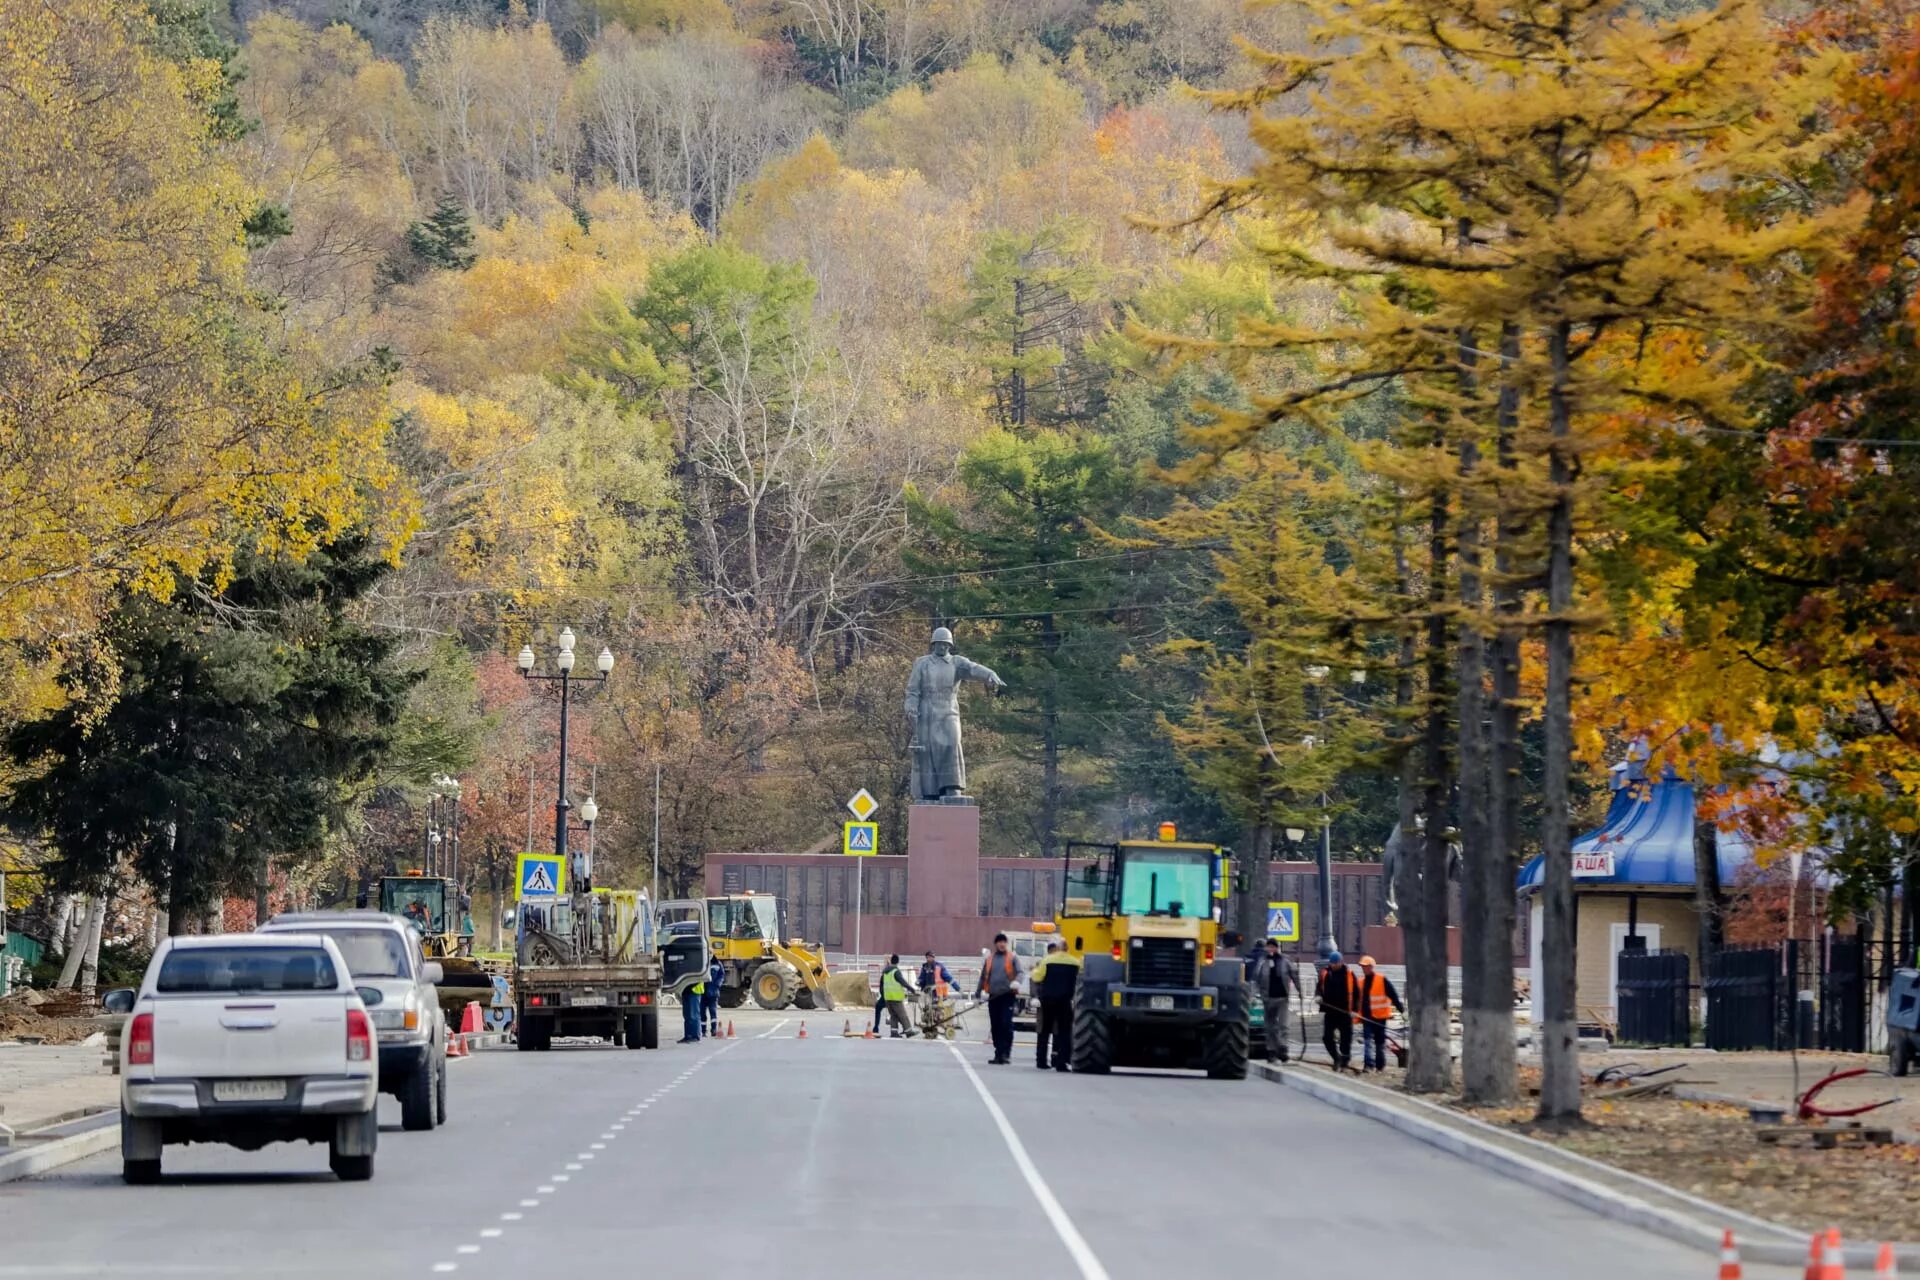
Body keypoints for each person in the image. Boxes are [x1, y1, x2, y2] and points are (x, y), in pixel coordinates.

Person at [1029, 942, 1081, 1071]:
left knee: (1045, 1031)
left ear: (1057, 948)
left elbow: (1037, 977)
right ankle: (1061, 1062)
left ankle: (1041, 1061)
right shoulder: (1075, 962)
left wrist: (1034, 971)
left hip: (1048, 1000)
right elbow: (1080, 979)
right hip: (1065, 1001)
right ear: (1068, 948)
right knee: (1064, 1032)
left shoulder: (1047, 960)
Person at [974, 932, 1023, 1064]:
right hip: (993, 997)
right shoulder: (990, 959)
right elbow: (983, 976)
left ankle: (1005, 1053)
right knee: (995, 1025)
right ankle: (998, 1053)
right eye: (999, 942)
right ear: (996, 944)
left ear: (1006, 944)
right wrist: (977, 995)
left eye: (1004, 942)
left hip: (1008, 996)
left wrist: (1017, 982)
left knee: (1005, 1024)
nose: (1002, 944)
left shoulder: (1013, 958)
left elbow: (1020, 973)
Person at [1253, 938, 1304, 1063]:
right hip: (1267, 998)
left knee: (1283, 1025)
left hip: (1282, 997)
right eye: (1268, 947)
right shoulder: (1262, 961)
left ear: (1277, 948)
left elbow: (1294, 974)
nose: (1270, 949)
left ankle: (1283, 1048)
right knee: (1270, 1026)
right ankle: (1271, 1050)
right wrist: (1255, 994)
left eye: (1273, 947)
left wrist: (1300, 990)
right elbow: (1256, 978)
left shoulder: (1284, 960)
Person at [1354, 955, 1404, 1072]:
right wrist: (1353, 1011)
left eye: (1366, 966)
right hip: (1366, 1017)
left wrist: (1401, 1009)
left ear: (1372, 967)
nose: (1364, 969)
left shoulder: (1382, 980)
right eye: (1362, 967)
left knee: (1379, 1043)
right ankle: (1368, 1065)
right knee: (1367, 1041)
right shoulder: (1360, 982)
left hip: (1380, 1017)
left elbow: (1393, 995)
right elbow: (1356, 999)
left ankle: (1380, 1066)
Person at [1315, 950, 1360, 1071]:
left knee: (1346, 1039)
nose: (1333, 965)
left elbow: (1357, 993)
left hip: (1345, 1012)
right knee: (1327, 1037)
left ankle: (1344, 1061)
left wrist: (1355, 1010)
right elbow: (1319, 987)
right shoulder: (1325, 973)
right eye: (1332, 963)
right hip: (1330, 1012)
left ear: (1341, 962)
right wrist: (1318, 995)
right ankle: (1336, 1058)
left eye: (1335, 963)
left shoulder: (1349, 974)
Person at [880, 955, 916, 1038]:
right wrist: (911, 989)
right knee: (902, 1015)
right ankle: (908, 1031)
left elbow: (881, 985)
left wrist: (883, 995)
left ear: (891, 961)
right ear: (897, 962)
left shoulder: (885, 972)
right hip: (895, 998)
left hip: (887, 998)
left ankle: (894, 1032)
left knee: (893, 1015)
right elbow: (903, 982)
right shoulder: (896, 971)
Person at [679, 975, 705, 1044]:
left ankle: (695, 1036)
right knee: (687, 1015)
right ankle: (688, 1036)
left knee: (694, 1015)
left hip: (695, 990)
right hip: (686, 990)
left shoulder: (697, 965)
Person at [705, 957, 725, 1038]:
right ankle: (703, 1030)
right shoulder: (702, 962)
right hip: (703, 992)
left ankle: (713, 1030)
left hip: (713, 992)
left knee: (713, 1011)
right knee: (702, 1012)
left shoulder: (717, 963)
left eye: (710, 953)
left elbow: (721, 975)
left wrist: (718, 984)